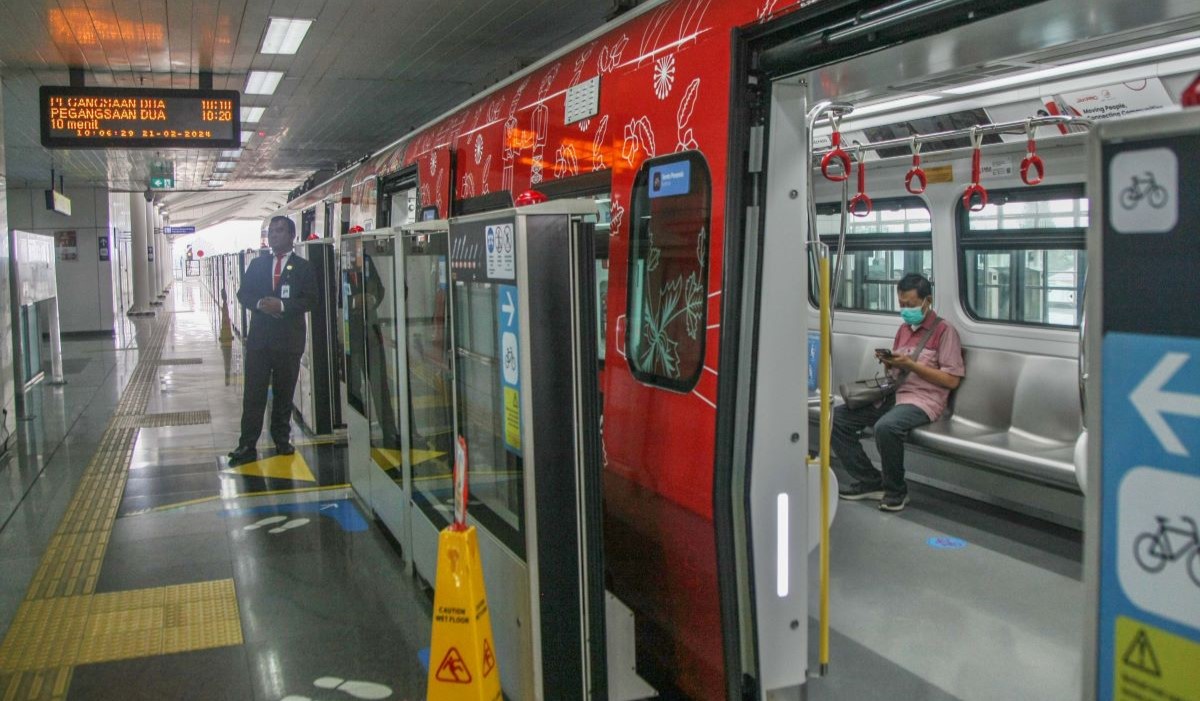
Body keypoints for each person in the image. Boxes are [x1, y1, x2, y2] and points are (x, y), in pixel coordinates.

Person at [833, 273, 965, 512]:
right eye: (902, 305)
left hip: (922, 400)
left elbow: (951, 379)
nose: (905, 310)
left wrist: (911, 365)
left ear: (927, 301)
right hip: (893, 394)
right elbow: (899, 369)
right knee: (837, 419)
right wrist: (890, 362)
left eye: (911, 305)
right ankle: (870, 481)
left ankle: (896, 491)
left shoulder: (945, 332)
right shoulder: (904, 329)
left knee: (886, 427)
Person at [227, 216, 319, 465]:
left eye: (279, 231)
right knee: (254, 393)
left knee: (284, 393)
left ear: (292, 236)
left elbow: (311, 299)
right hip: (260, 341)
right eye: (271, 232)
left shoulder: (304, 268)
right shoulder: (258, 264)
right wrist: (260, 304)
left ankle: (282, 440)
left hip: (289, 342)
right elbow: (243, 293)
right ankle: (247, 444)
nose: (274, 236)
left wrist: (282, 305)